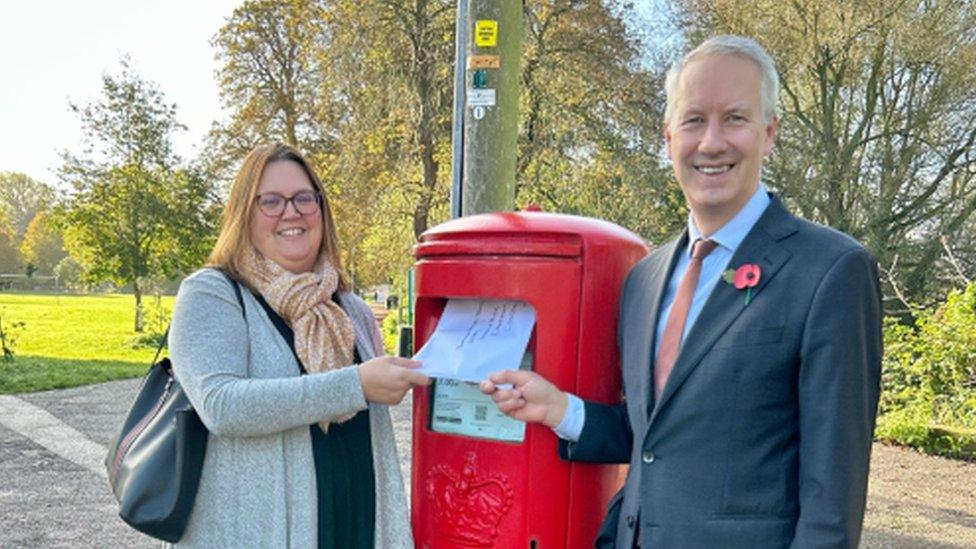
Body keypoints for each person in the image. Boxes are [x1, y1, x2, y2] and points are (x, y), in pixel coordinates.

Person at [481, 35, 882, 548]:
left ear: (769, 132)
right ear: (669, 138)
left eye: (734, 118)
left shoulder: (830, 270)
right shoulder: (644, 280)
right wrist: (558, 409)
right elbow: (654, 436)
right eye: (694, 120)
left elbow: (833, 494)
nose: (711, 142)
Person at [169, 142, 429, 547]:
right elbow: (221, 405)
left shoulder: (351, 310)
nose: (291, 212)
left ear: (321, 210)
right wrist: (355, 385)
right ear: (244, 214)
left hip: (355, 526)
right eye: (270, 201)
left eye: (304, 198)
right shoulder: (213, 293)